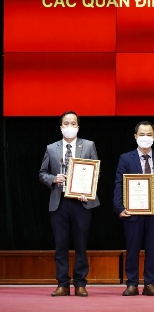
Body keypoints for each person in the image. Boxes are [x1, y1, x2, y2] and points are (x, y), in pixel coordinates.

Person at [38, 111, 99, 297]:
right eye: (66, 123)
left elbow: (95, 172)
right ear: (61, 127)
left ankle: (80, 283)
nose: (69, 126)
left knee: (81, 244)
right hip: (60, 202)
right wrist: (53, 179)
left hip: (82, 202)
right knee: (61, 245)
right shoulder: (51, 148)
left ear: (78, 127)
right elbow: (42, 173)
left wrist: (88, 191)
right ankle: (62, 284)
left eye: (73, 123)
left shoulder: (88, 145)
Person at [113, 121, 154, 296]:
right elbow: (119, 184)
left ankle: (150, 284)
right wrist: (119, 207)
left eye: (149, 135)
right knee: (132, 248)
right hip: (133, 211)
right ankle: (131, 283)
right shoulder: (125, 158)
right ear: (135, 136)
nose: (145, 138)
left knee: (152, 249)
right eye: (142, 134)